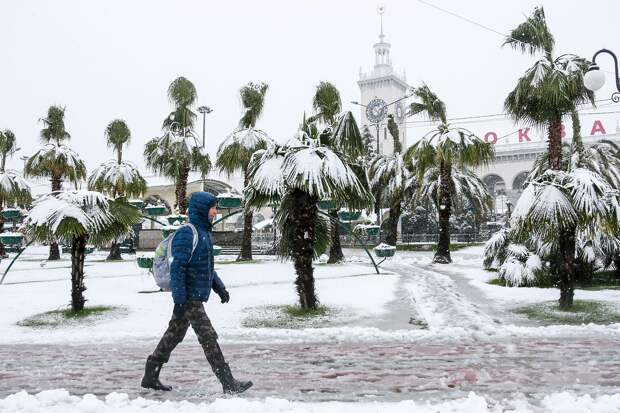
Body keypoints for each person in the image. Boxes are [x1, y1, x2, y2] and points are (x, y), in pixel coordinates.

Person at [141, 191, 252, 394]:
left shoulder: (203, 233)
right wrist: (180, 299)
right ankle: (228, 383)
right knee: (208, 337)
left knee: (174, 334)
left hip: (191, 297)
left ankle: (151, 374)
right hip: (189, 298)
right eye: (213, 208)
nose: (216, 212)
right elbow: (178, 267)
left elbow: (205, 267)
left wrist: (220, 288)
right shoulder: (188, 233)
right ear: (202, 209)